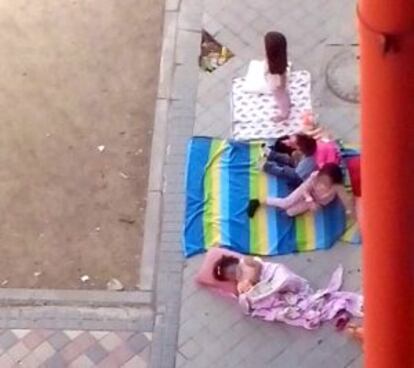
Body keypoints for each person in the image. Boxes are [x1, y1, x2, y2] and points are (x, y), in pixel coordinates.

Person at [248, 163, 354, 217]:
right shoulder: (315, 176)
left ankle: (288, 212)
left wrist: (349, 210)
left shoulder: (337, 187)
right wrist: (308, 198)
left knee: (289, 213)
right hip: (307, 193)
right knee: (286, 203)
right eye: (322, 180)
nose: (323, 183)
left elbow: (345, 200)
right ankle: (258, 201)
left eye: (327, 182)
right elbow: (305, 189)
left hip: (316, 201)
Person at [264, 31, 291, 121]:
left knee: (280, 97)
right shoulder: (280, 58)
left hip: (275, 83)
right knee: (283, 94)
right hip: (278, 80)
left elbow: (278, 84)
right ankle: (287, 104)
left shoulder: (275, 66)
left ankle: (284, 114)